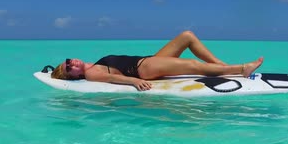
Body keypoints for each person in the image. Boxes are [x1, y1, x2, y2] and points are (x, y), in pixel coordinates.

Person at [50, 30, 264, 91]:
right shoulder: (91, 73)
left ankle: (224, 66)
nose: (72, 63)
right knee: (191, 65)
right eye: (69, 68)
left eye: (68, 61)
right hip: (144, 69)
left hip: (149, 59)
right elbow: (111, 79)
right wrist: (134, 82)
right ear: (75, 75)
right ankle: (241, 69)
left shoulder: (92, 64)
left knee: (186, 36)